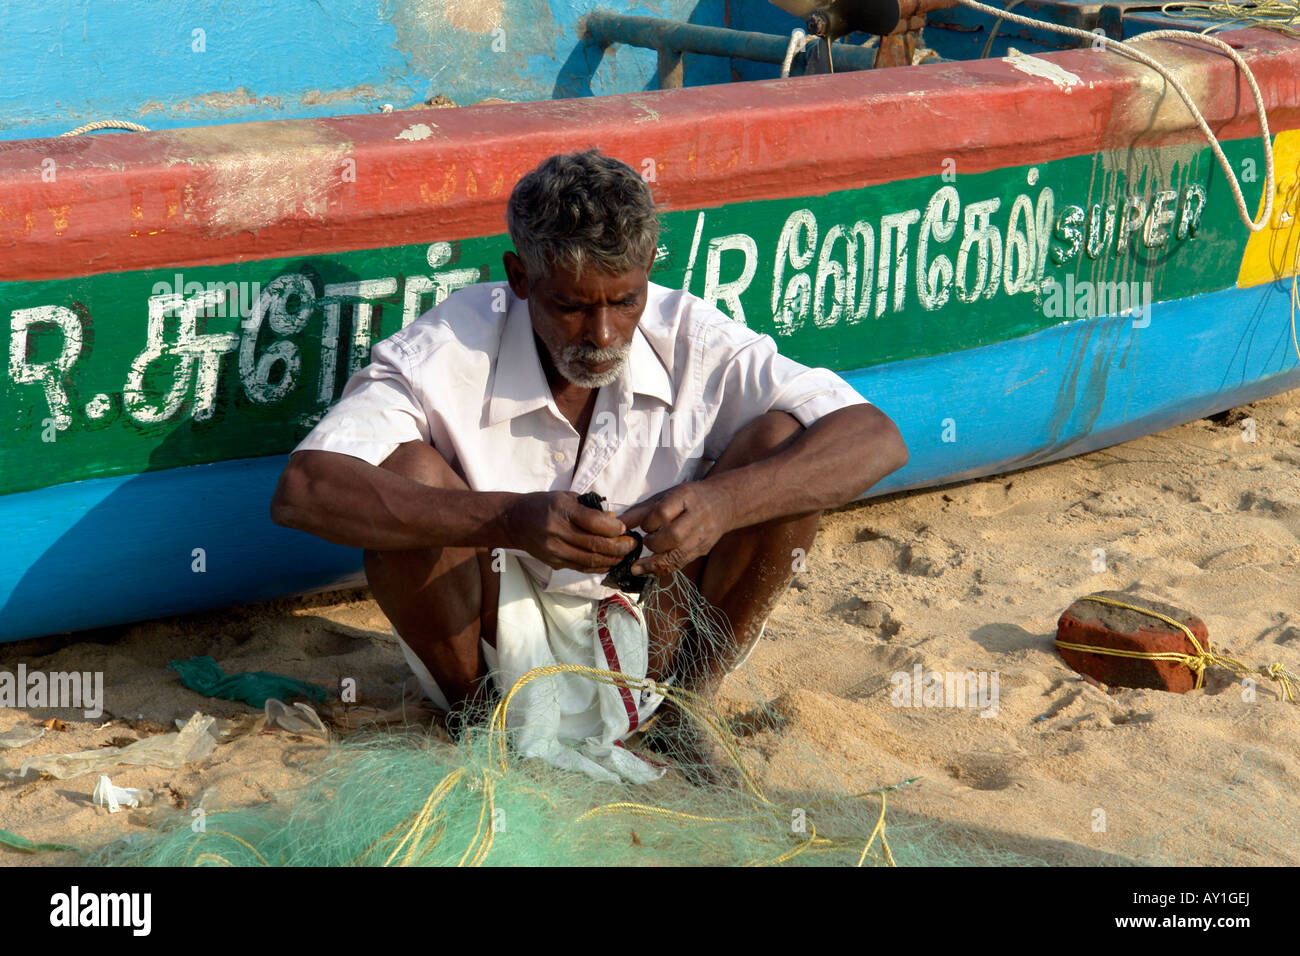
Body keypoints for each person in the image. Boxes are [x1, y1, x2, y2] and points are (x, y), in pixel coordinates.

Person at [271, 149, 908, 781]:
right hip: (492, 640)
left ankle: (686, 711)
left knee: (781, 444)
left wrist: (722, 506)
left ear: (649, 269)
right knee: (408, 472)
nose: (602, 335)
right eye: (572, 307)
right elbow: (304, 489)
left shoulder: (690, 333)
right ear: (520, 279)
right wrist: (508, 519)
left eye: (625, 301)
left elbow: (876, 439)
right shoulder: (448, 346)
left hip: (654, 629)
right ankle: (476, 722)